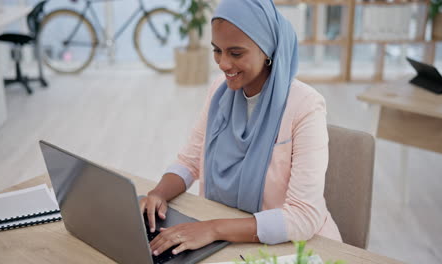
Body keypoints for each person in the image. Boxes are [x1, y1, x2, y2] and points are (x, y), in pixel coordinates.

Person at [139, 0, 342, 257]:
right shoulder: (219, 91)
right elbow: (189, 161)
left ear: (267, 50)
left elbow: (303, 216)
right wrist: (158, 193)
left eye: (235, 53)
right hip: (231, 240)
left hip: (294, 249)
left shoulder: (305, 106)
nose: (223, 63)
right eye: (217, 51)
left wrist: (213, 229)